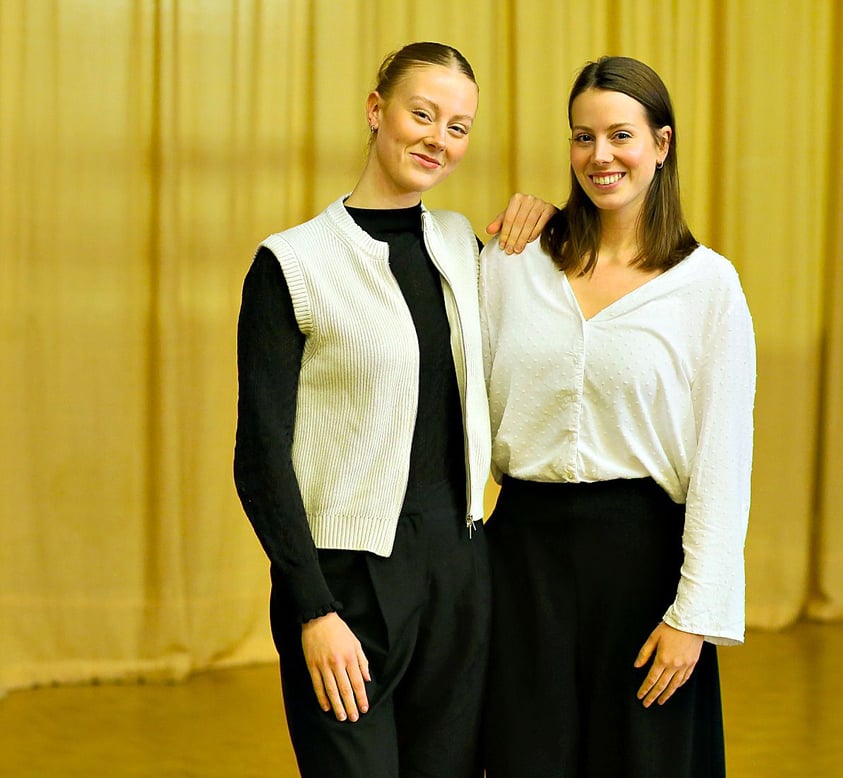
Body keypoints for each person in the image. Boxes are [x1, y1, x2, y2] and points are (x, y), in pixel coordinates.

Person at [233, 42, 553, 778]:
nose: (439, 139)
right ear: (377, 111)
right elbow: (260, 457)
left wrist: (547, 217)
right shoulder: (292, 264)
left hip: (459, 569)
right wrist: (313, 609)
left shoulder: (463, 244)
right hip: (346, 582)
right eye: (423, 114)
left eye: (459, 127)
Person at [479, 56, 756, 777]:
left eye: (620, 135)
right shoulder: (512, 263)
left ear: (661, 144)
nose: (599, 156)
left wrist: (694, 616)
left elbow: (724, 463)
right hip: (523, 566)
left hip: (645, 571)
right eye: (583, 137)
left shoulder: (708, 287)